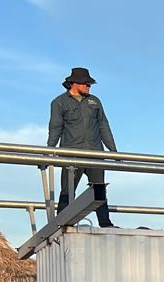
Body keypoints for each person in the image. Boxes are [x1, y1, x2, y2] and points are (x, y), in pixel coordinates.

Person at [48, 67, 116, 227]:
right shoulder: (59, 102)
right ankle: (61, 224)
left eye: (89, 84)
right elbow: (55, 127)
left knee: (99, 189)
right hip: (72, 153)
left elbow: (103, 125)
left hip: (95, 153)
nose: (89, 87)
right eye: (86, 84)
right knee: (67, 190)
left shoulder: (95, 101)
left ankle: (105, 223)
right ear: (74, 83)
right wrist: (49, 151)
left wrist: (113, 151)